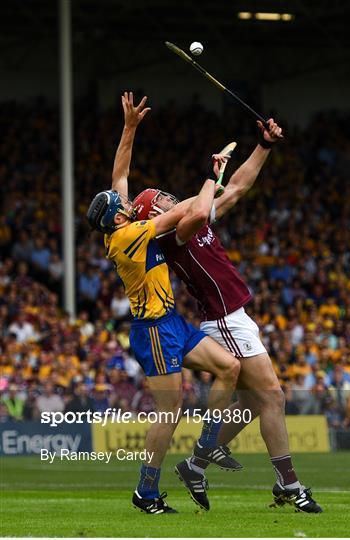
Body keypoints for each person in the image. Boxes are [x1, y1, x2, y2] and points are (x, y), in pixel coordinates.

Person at [130, 107, 322, 512]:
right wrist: (210, 173)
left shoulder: (189, 220)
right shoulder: (176, 233)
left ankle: (196, 466)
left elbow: (236, 189)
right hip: (224, 318)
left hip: (233, 315)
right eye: (162, 198)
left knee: (256, 402)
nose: (169, 197)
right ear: (155, 214)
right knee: (273, 397)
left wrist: (263, 147)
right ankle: (288, 483)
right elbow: (200, 207)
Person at [87, 92, 240, 515]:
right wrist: (213, 176)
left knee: (230, 367)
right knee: (169, 413)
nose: (127, 201)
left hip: (172, 322)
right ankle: (145, 492)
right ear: (118, 218)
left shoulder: (119, 223)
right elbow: (186, 213)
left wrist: (130, 127)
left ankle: (206, 452)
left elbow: (121, 173)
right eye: (123, 206)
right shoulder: (128, 235)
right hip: (152, 330)